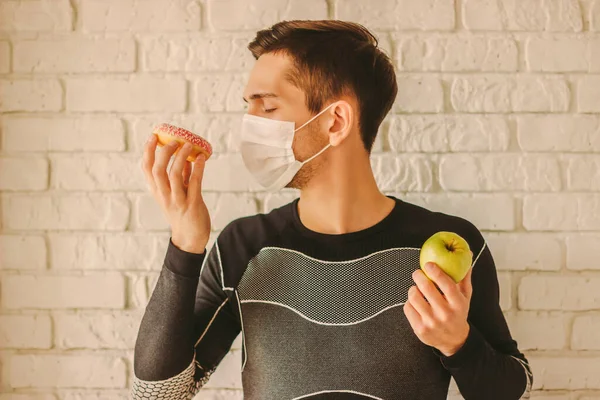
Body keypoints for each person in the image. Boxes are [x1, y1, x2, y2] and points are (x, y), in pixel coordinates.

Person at [132, 20, 533, 400]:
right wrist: (186, 243)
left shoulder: (446, 246)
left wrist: (457, 343)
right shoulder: (244, 246)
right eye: (248, 107)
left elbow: (513, 388)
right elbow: (159, 394)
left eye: (268, 108)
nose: (248, 124)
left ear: (336, 121)